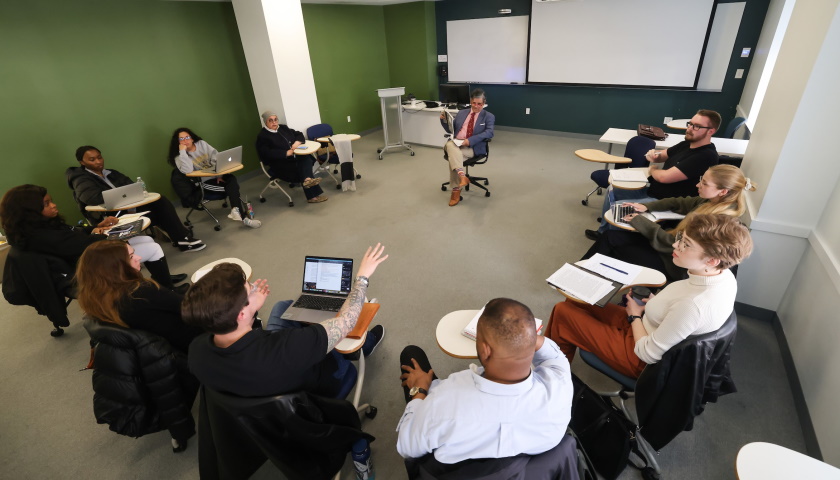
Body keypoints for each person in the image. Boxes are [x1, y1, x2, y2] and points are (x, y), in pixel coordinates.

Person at [550, 213, 753, 379]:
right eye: (681, 238)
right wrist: (656, 304)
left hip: (638, 355)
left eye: (686, 244)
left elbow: (648, 354)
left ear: (712, 261)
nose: (676, 245)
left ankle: (552, 376)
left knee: (563, 311)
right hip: (649, 326)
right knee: (576, 301)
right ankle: (553, 361)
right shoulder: (724, 277)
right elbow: (680, 315)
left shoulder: (693, 305)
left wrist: (634, 316)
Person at [183, 244, 388, 398]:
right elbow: (347, 320)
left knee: (283, 306)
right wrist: (362, 278)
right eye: (250, 289)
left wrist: (252, 307)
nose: (255, 286)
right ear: (240, 314)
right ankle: (364, 345)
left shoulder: (196, 351)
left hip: (259, 394)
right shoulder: (288, 347)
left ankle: (362, 342)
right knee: (342, 336)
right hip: (312, 388)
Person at [396, 298, 573, 465]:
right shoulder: (559, 386)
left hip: (457, 467)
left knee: (411, 354)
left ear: (484, 349)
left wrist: (419, 390)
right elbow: (555, 357)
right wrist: (523, 338)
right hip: (523, 468)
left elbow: (407, 447)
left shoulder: (442, 406)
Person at [0, 184, 189, 294]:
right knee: (153, 248)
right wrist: (111, 234)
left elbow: (74, 231)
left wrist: (96, 227)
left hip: (84, 255)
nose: (54, 205)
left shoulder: (35, 228)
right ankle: (166, 289)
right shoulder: (44, 237)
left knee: (148, 242)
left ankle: (162, 284)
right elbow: (83, 244)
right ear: (30, 211)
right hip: (85, 267)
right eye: (47, 204)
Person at [584, 164, 757, 281]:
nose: (698, 185)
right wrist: (646, 207)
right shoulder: (710, 202)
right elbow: (678, 202)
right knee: (611, 237)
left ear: (723, 191)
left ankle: (582, 274)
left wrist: (641, 222)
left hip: (673, 264)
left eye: (704, 183)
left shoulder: (717, 220)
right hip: (671, 251)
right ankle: (587, 274)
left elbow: (674, 244)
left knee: (611, 241)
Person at [586, 109, 721, 240]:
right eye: (690, 124)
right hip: (653, 190)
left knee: (620, 206)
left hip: (666, 200)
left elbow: (664, 177)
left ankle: (611, 237)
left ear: (711, 131)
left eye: (696, 126)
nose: (690, 128)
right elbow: (662, 156)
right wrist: (654, 156)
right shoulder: (687, 144)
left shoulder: (705, 155)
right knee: (613, 189)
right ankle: (603, 230)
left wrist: (653, 169)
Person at [67, 145, 206, 252]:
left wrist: (128, 194)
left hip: (130, 207)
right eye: (92, 159)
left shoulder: (111, 173)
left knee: (160, 202)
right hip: (110, 215)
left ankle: (182, 239)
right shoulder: (80, 178)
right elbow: (91, 198)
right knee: (158, 212)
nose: (98, 162)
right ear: (82, 162)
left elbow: (131, 186)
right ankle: (178, 236)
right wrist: (121, 195)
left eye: (99, 157)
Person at [76, 240, 202, 353]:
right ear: (114, 268)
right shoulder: (142, 292)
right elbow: (192, 307)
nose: (139, 257)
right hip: (193, 342)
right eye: (131, 257)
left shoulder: (96, 299)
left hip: (160, 349)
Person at [167, 127, 262, 228]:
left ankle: (236, 211)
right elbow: (188, 170)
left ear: (192, 138)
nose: (185, 141)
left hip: (216, 174)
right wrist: (183, 152)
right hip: (204, 182)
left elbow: (216, 157)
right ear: (178, 142)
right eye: (181, 139)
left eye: (187, 137)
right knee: (232, 188)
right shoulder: (179, 157)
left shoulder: (201, 144)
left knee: (232, 179)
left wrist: (219, 174)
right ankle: (244, 218)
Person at [255, 111, 328, 204]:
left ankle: (308, 182)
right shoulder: (263, 136)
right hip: (279, 163)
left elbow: (298, 134)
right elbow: (265, 154)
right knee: (304, 169)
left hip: (294, 158)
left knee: (306, 158)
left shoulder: (283, 128)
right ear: (266, 122)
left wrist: (297, 142)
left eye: (275, 119)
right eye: (270, 120)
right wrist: (285, 153)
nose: (274, 122)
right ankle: (312, 193)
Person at [439, 89, 495, 206]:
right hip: (456, 143)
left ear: (484, 103)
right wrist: (444, 121)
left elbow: (489, 133)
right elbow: (451, 130)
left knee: (453, 156)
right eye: (474, 103)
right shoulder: (461, 113)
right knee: (451, 145)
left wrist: (470, 141)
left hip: (472, 147)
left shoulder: (488, 116)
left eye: (479, 104)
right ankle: (462, 177)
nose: (476, 106)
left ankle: (456, 190)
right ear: (470, 101)